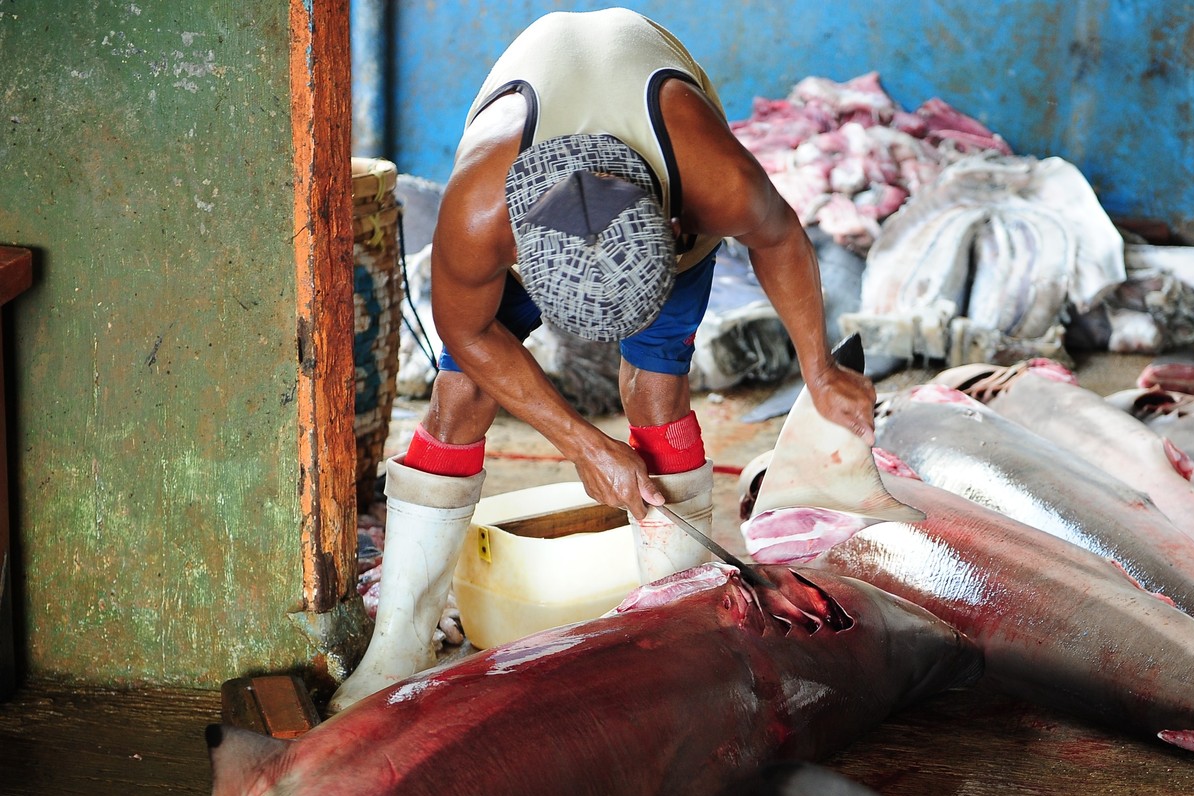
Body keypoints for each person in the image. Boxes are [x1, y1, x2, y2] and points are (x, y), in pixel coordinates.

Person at [329, 8, 875, 712]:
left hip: (660, 185)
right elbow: (470, 338)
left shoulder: (713, 180)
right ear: (519, 256)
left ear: (677, 225)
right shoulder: (479, 216)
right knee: (461, 399)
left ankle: (682, 626)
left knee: (656, 394)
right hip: (540, 196)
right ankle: (400, 644)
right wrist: (582, 443)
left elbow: (779, 240)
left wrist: (819, 370)